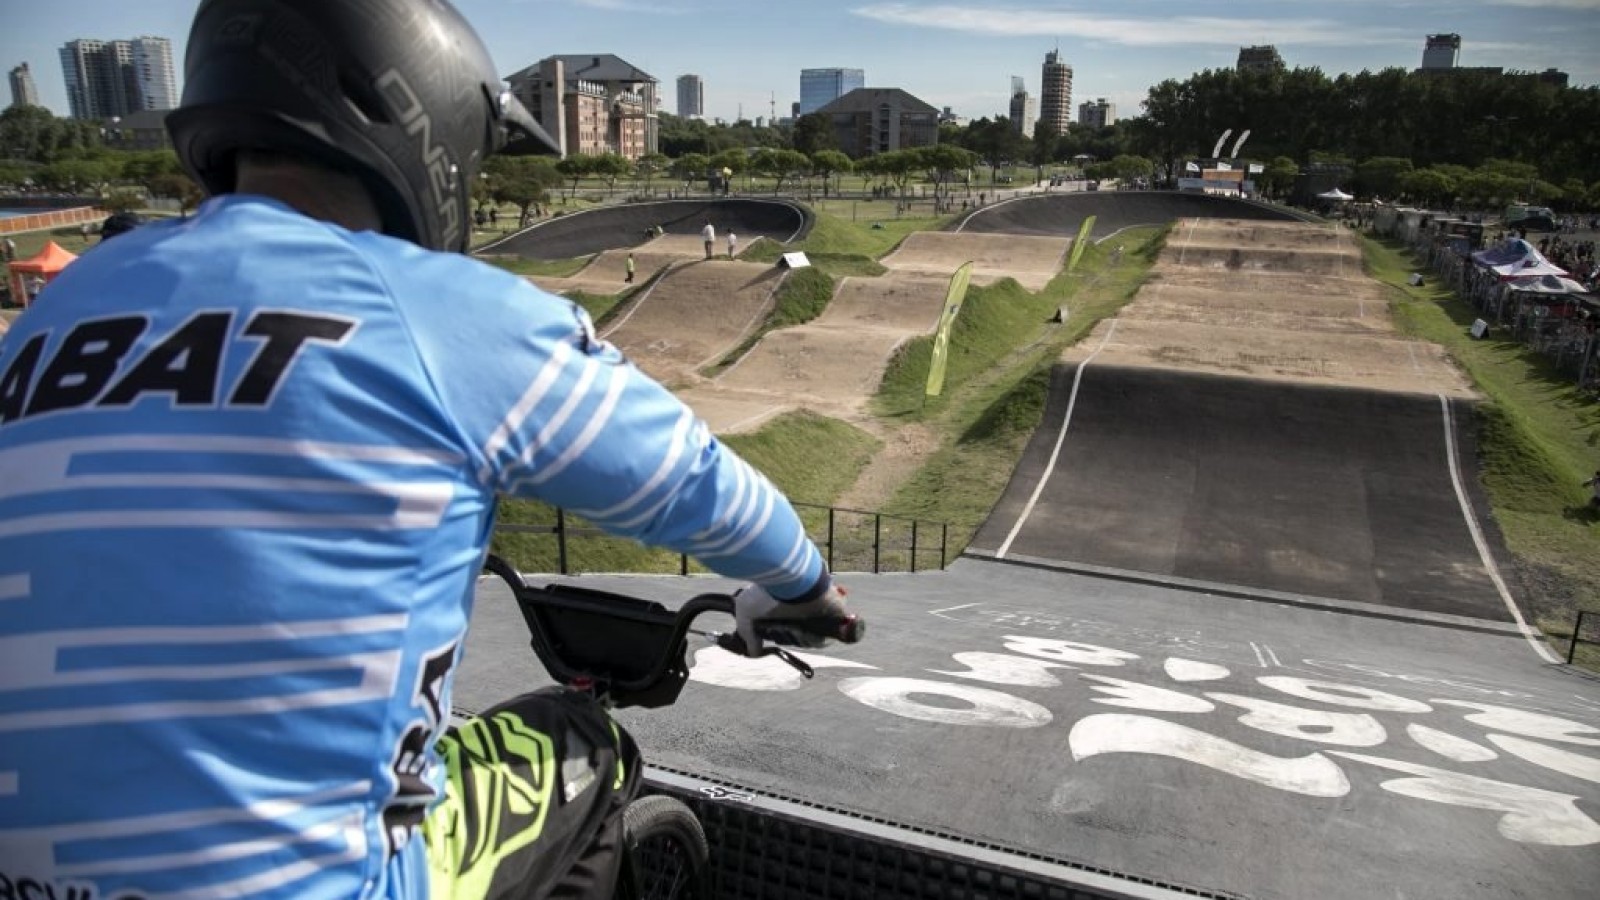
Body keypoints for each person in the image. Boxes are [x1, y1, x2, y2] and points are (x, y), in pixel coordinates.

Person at [0, 1, 852, 898]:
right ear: (425, 128)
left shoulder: (57, 309)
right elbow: (699, 484)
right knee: (582, 748)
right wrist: (802, 584)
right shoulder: (434, 308)